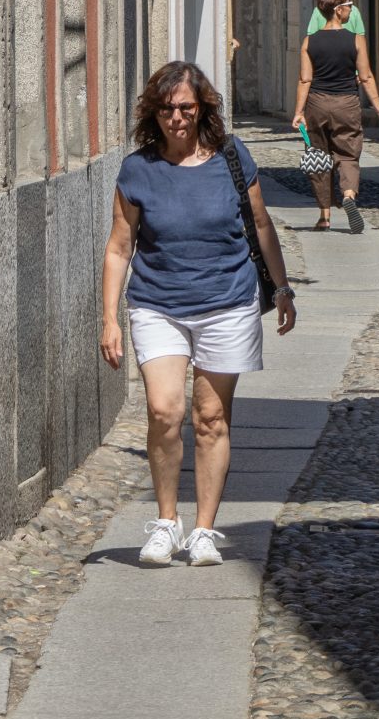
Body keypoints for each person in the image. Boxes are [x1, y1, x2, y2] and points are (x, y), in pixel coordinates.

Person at [101, 60, 295, 568]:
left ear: (202, 108)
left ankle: (205, 529)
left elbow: (262, 224)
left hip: (227, 303)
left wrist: (282, 289)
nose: (177, 118)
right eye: (166, 109)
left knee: (210, 418)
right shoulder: (137, 169)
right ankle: (167, 522)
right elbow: (120, 248)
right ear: (154, 112)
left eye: (186, 107)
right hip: (157, 304)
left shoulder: (231, 158)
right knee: (165, 411)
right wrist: (109, 318)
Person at [293, 0, 379, 232]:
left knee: (318, 156)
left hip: (317, 102)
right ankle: (348, 194)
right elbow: (366, 77)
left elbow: (305, 79)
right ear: (338, 11)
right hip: (346, 102)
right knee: (347, 155)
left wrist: (298, 112)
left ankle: (324, 215)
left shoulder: (310, 41)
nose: (351, 9)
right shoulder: (355, 40)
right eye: (348, 5)